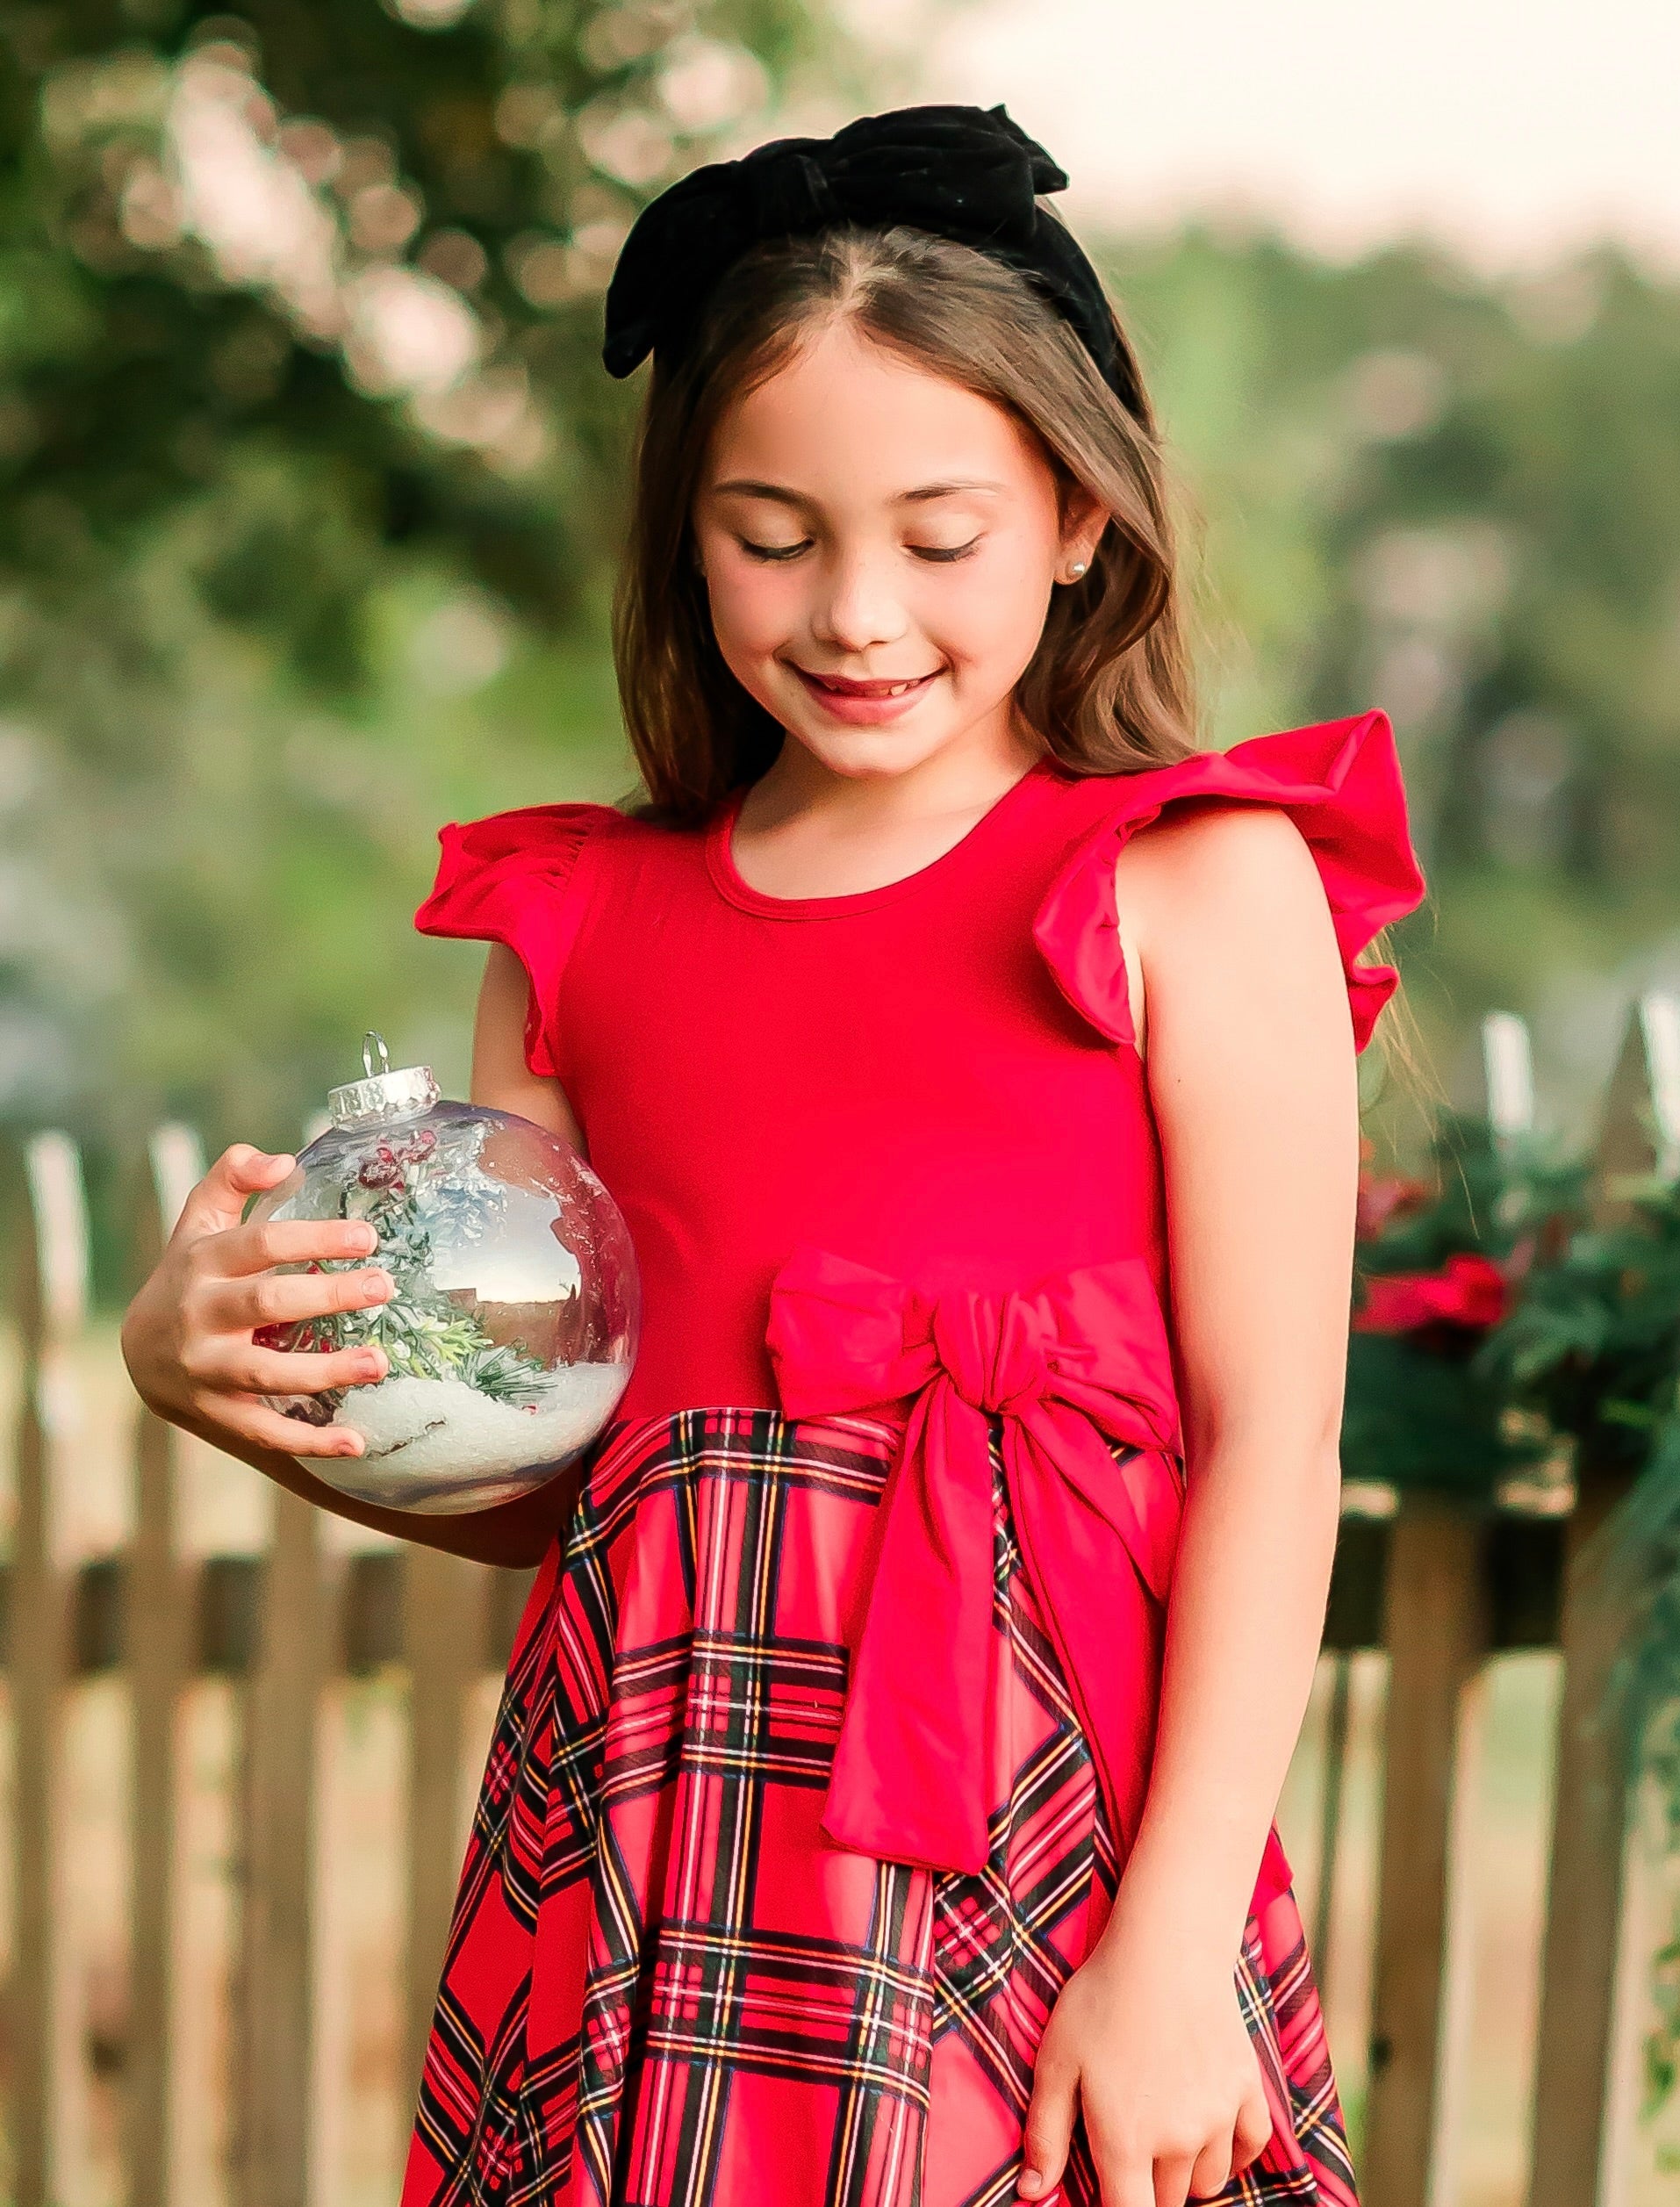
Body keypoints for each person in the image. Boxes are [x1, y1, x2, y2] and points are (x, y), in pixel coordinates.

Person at [123, 102, 1426, 2207]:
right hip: (650, 1859)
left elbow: (1273, 1442)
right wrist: (240, 1397)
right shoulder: (572, 933)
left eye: (941, 532)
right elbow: (542, 1487)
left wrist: (1176, 1946)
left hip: (1060, 1855)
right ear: (684, 533)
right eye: (773, 533)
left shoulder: (1193, 884)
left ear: (1081, 515)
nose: (857, 610)